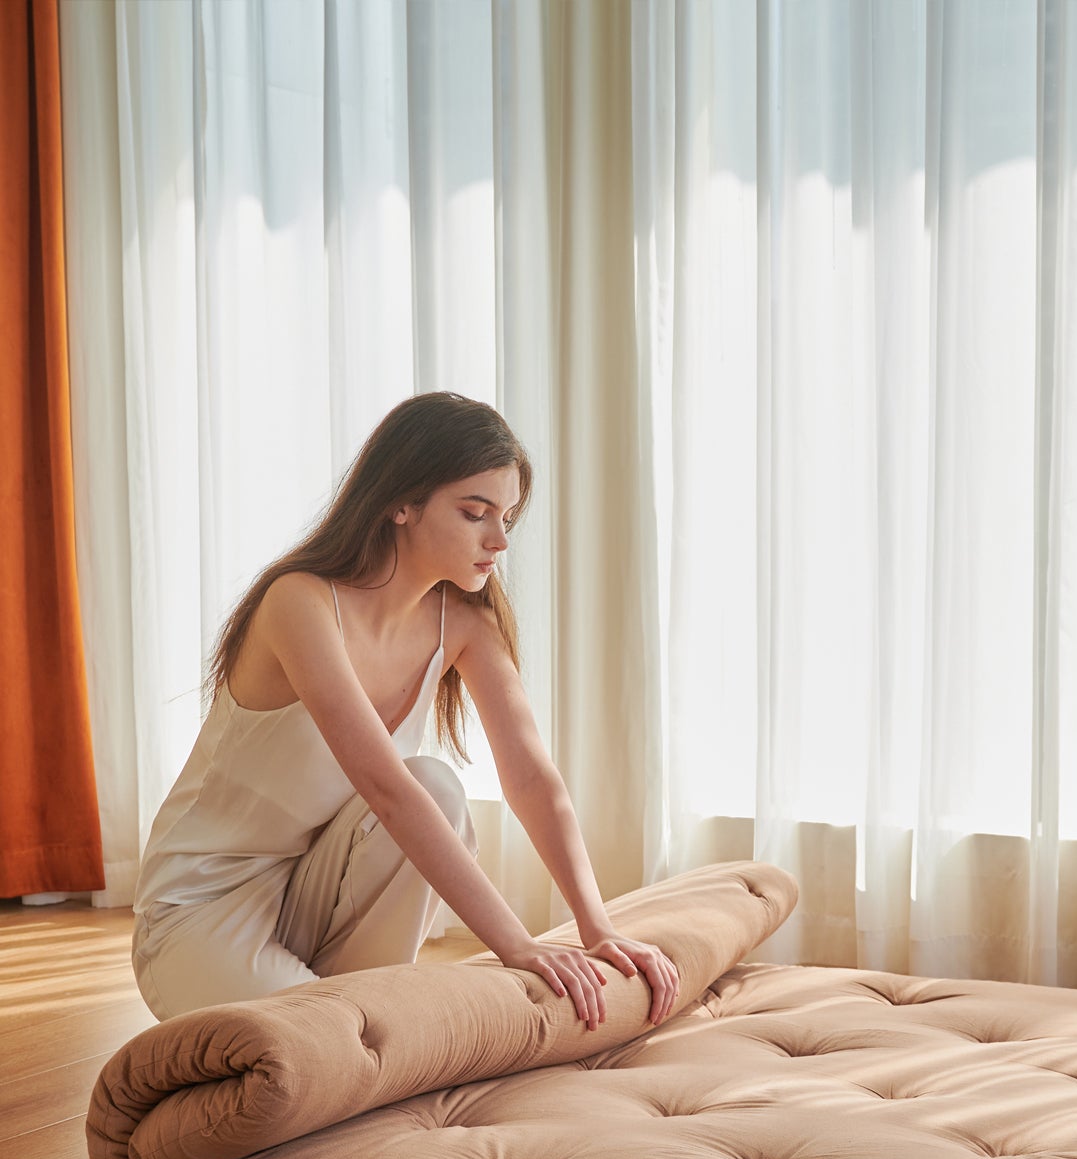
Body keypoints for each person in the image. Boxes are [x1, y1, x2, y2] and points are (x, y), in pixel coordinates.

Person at [129, 391, 679, 1030]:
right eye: (476, 513)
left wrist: (596, 928)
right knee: (331, 1039)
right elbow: (386, 793)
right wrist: (517, 947)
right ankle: (354, 1020)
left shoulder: (467, 625)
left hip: (314, 888)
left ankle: (365, 1007)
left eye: (507, 517)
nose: (499, 539)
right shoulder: (299, 603)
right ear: (401, 503)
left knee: (437, 786)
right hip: (203, 906)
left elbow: (533, 781)